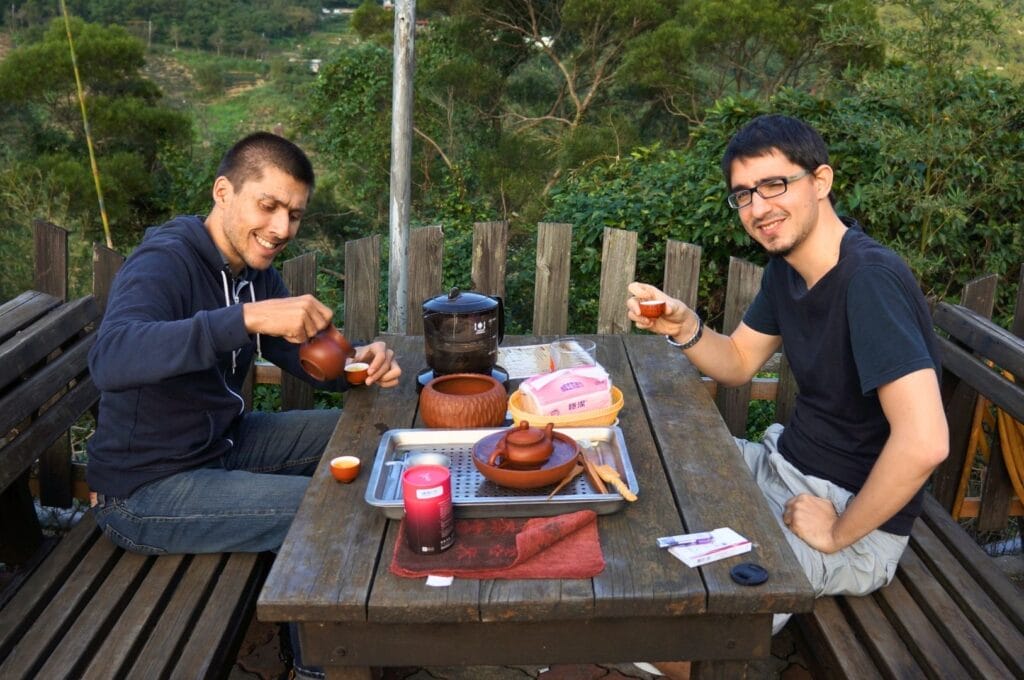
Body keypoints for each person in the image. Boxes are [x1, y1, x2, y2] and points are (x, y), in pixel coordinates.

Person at [627, 114, 948, 674]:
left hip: (851, 517)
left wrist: (838, 531)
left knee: (678, 641)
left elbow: (925, 442)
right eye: (744, 194)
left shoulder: (869, 280)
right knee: (640, 463)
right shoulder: (787, 271)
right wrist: (684, 327)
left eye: (775, 184)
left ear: (820, 182)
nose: (758, 207)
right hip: (780, 468)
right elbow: (739, 362)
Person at [87, 131, 402, 557]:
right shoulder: (165, 261)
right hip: (145, 489)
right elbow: (111, 358)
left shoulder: (255, 273)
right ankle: (310, 623)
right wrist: (248, 317)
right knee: (334, 508)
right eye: (268, 206)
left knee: (379, 437)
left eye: (293, 214)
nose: (280, 228)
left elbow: (299, 355)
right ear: (223, 192)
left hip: (227, 443)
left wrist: (357, 363)